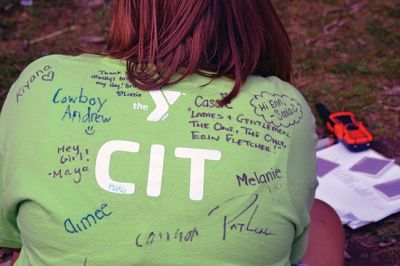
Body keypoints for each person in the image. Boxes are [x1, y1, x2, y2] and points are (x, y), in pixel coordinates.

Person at [0, 0, 344, 265]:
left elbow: (15, 236)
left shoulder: (43, 82)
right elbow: (292, 245)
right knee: (323, 220)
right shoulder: (284, 106)